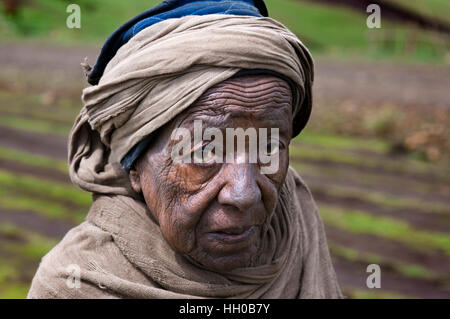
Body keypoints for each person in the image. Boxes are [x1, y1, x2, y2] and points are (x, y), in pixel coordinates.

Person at [28, 0, 342, 298]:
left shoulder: (294, 216)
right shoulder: (76, 283)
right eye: (205, 152)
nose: (245, 194)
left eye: (270, 147)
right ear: (134, 164)